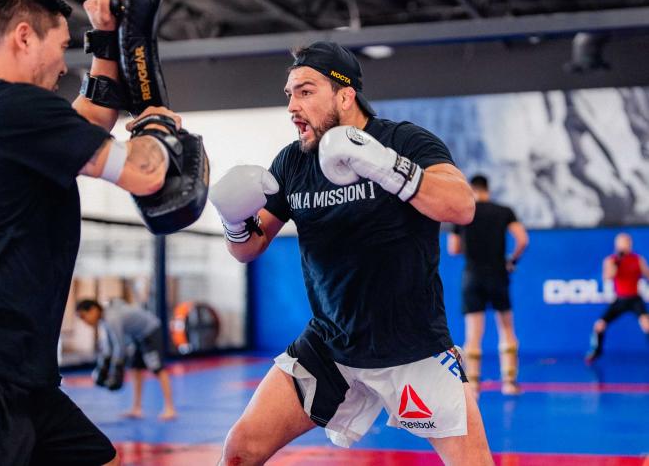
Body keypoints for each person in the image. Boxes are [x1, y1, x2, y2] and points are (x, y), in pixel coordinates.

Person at [209, 41, 493, 465]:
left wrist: (384, 165)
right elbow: (248, 248)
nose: (292, 106)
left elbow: (461, 206)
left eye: (305, 91)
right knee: (240, 450)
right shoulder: (292, 163)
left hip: (411, 347)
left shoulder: (403, 140)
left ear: (345, 95)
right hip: (330, 345)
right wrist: (233, 221)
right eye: (289, 94)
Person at [0, 0, 184, 464]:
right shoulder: (8, 109)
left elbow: (91, 118)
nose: (62, 65)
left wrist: (105, 35)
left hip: (23, 373)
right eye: (60, 46)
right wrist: (157, 125)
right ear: (23, 37)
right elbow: (147, 174)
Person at [447, 175, 529, 397]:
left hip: (472, 276)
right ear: (488, 189)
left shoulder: (463, 212)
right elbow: (522, 239)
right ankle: (509, 383)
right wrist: (511, 260)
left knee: (473, 334)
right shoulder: (503, 211)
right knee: (506, 328)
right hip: (498, 274)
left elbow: (453, 249)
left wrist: (473, 249)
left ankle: (473, 386)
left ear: (472, 190)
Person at [75, 299, 177, 420]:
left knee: (157, 368)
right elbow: (109, 345)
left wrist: (115, 367)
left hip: (151, 331)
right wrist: (103, 366)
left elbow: (119, 345)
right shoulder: (104, 320)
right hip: (137, 335)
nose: (84, 321)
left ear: (93, 310)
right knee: (135, 368)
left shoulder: (111, 318)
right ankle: (136, 408)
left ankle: (170, 408)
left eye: (83, 316)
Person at [585, 233, 649, 363]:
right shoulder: (610, 260)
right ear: (617, 245)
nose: (625, 245)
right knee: (599, 325)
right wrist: (617, 262)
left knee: (646, 324)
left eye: (627, 242)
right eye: (622, 242)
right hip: (620, 299)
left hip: (635, 298)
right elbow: (608, 277)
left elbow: (647, 274)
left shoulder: (638, 259)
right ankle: (596, 351)